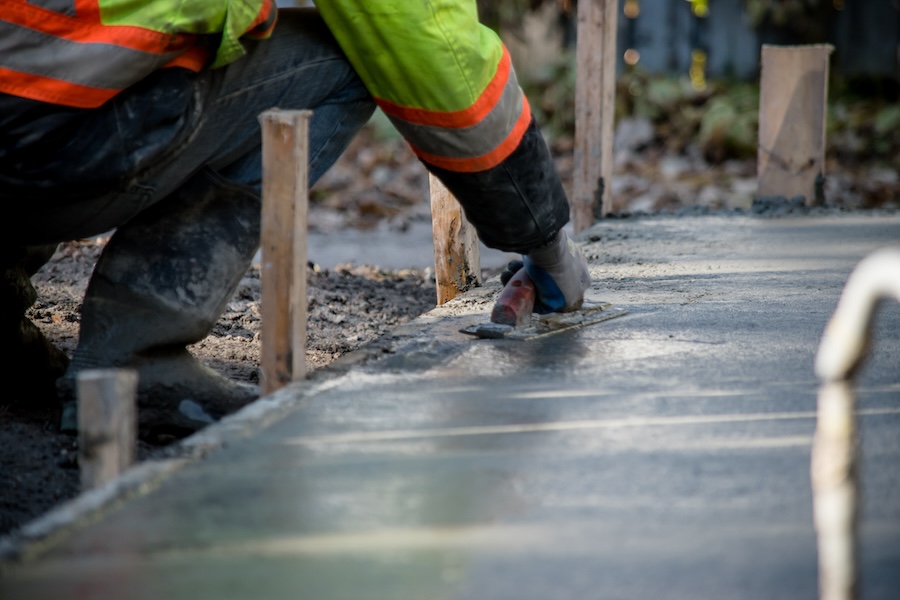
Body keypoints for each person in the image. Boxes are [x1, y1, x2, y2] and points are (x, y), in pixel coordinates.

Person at [0, 1, 591, 436]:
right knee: (349, 56)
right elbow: (425, 40)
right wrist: (544, 237)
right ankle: (132, 366)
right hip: (39, 136)